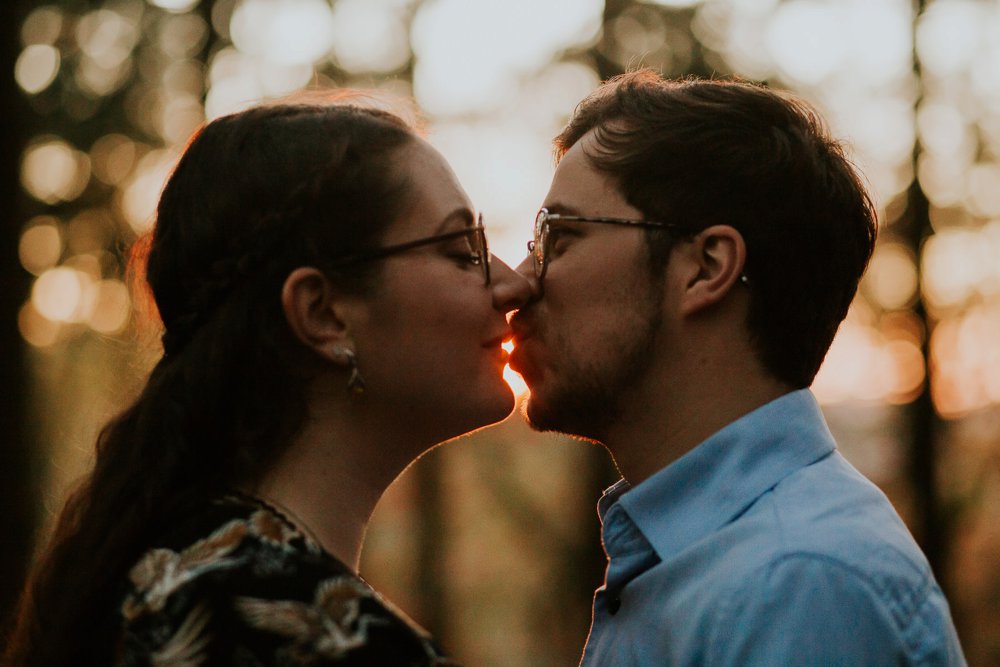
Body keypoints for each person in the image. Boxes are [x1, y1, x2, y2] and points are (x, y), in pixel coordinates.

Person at [5, 98, 530, 665]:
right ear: (324, 315)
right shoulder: (289, 634)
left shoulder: (172, 583)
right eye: (461, 250)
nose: (512, 283)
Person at [509, 70, 966, 665]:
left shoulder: (797, 583)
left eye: (559, 238)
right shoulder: (726, 563)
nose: (520, 281)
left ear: (706, 267)